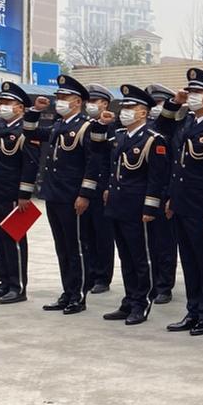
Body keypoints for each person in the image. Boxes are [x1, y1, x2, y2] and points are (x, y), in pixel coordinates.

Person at [154, 68, 203, 336]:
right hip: (181, 203)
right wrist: (174, 102)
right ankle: (193, 310)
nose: (192, 96)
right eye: (190, 91)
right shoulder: (187, 122)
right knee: (188, 261)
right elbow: (161, 129)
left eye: (198, 92)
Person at [92, 85, 171, 326]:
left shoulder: (154, 140)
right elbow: (97, 149)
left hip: (138, 208)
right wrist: (100, 123)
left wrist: (150, 208)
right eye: (123, 107)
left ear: (144, 113)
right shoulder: (119, 136)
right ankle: (128, 300)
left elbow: (158, 178)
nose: (125, 111)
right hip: (118, 205)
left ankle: (141, 303)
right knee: (125, 257)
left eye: (131, 107)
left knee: (140, 258)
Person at [23, 75, 99, 315]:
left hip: (72, 196)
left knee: (76, 247)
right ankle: (67, 291)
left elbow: (92, 162)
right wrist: (35, 110)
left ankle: (79, 295)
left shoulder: (87, 127)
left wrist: (85, 194)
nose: (60, 101)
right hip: (54, 194)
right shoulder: (59, 125)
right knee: (62, 247)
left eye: (64, 97)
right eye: (59, 97)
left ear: (77, 101)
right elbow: (30, 132)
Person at [0, 82, 40, 305]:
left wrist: (24, 194)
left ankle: (17, 286)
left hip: (12, 194)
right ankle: (4, 282)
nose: (3, 106)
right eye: (1, 102)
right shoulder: (0, 127)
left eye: (8, 103)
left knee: (13, 239)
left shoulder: (26, 129)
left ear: (20, 108)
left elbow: (30, 164)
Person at [145, 83, 178, 304]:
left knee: (165, 243)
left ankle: (164, 286)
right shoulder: (145, 129)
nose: (156, 108)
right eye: (153, 104)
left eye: (160, 103)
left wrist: (170, 196)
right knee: (148, 243)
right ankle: (150, 283)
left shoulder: (175, 128)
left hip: (166, 192)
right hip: (146, 192)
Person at [83, 84, 117, 295]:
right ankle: (90, 273)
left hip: (102, 187)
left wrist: (107, 187)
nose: (90, 105)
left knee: (103, 235)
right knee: (86, 235)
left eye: (94, 101)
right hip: (84, 188)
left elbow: (108, 160)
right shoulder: (85, 125)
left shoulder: (112, 127)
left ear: (104, 104)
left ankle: (103, 277)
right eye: (89, 101)